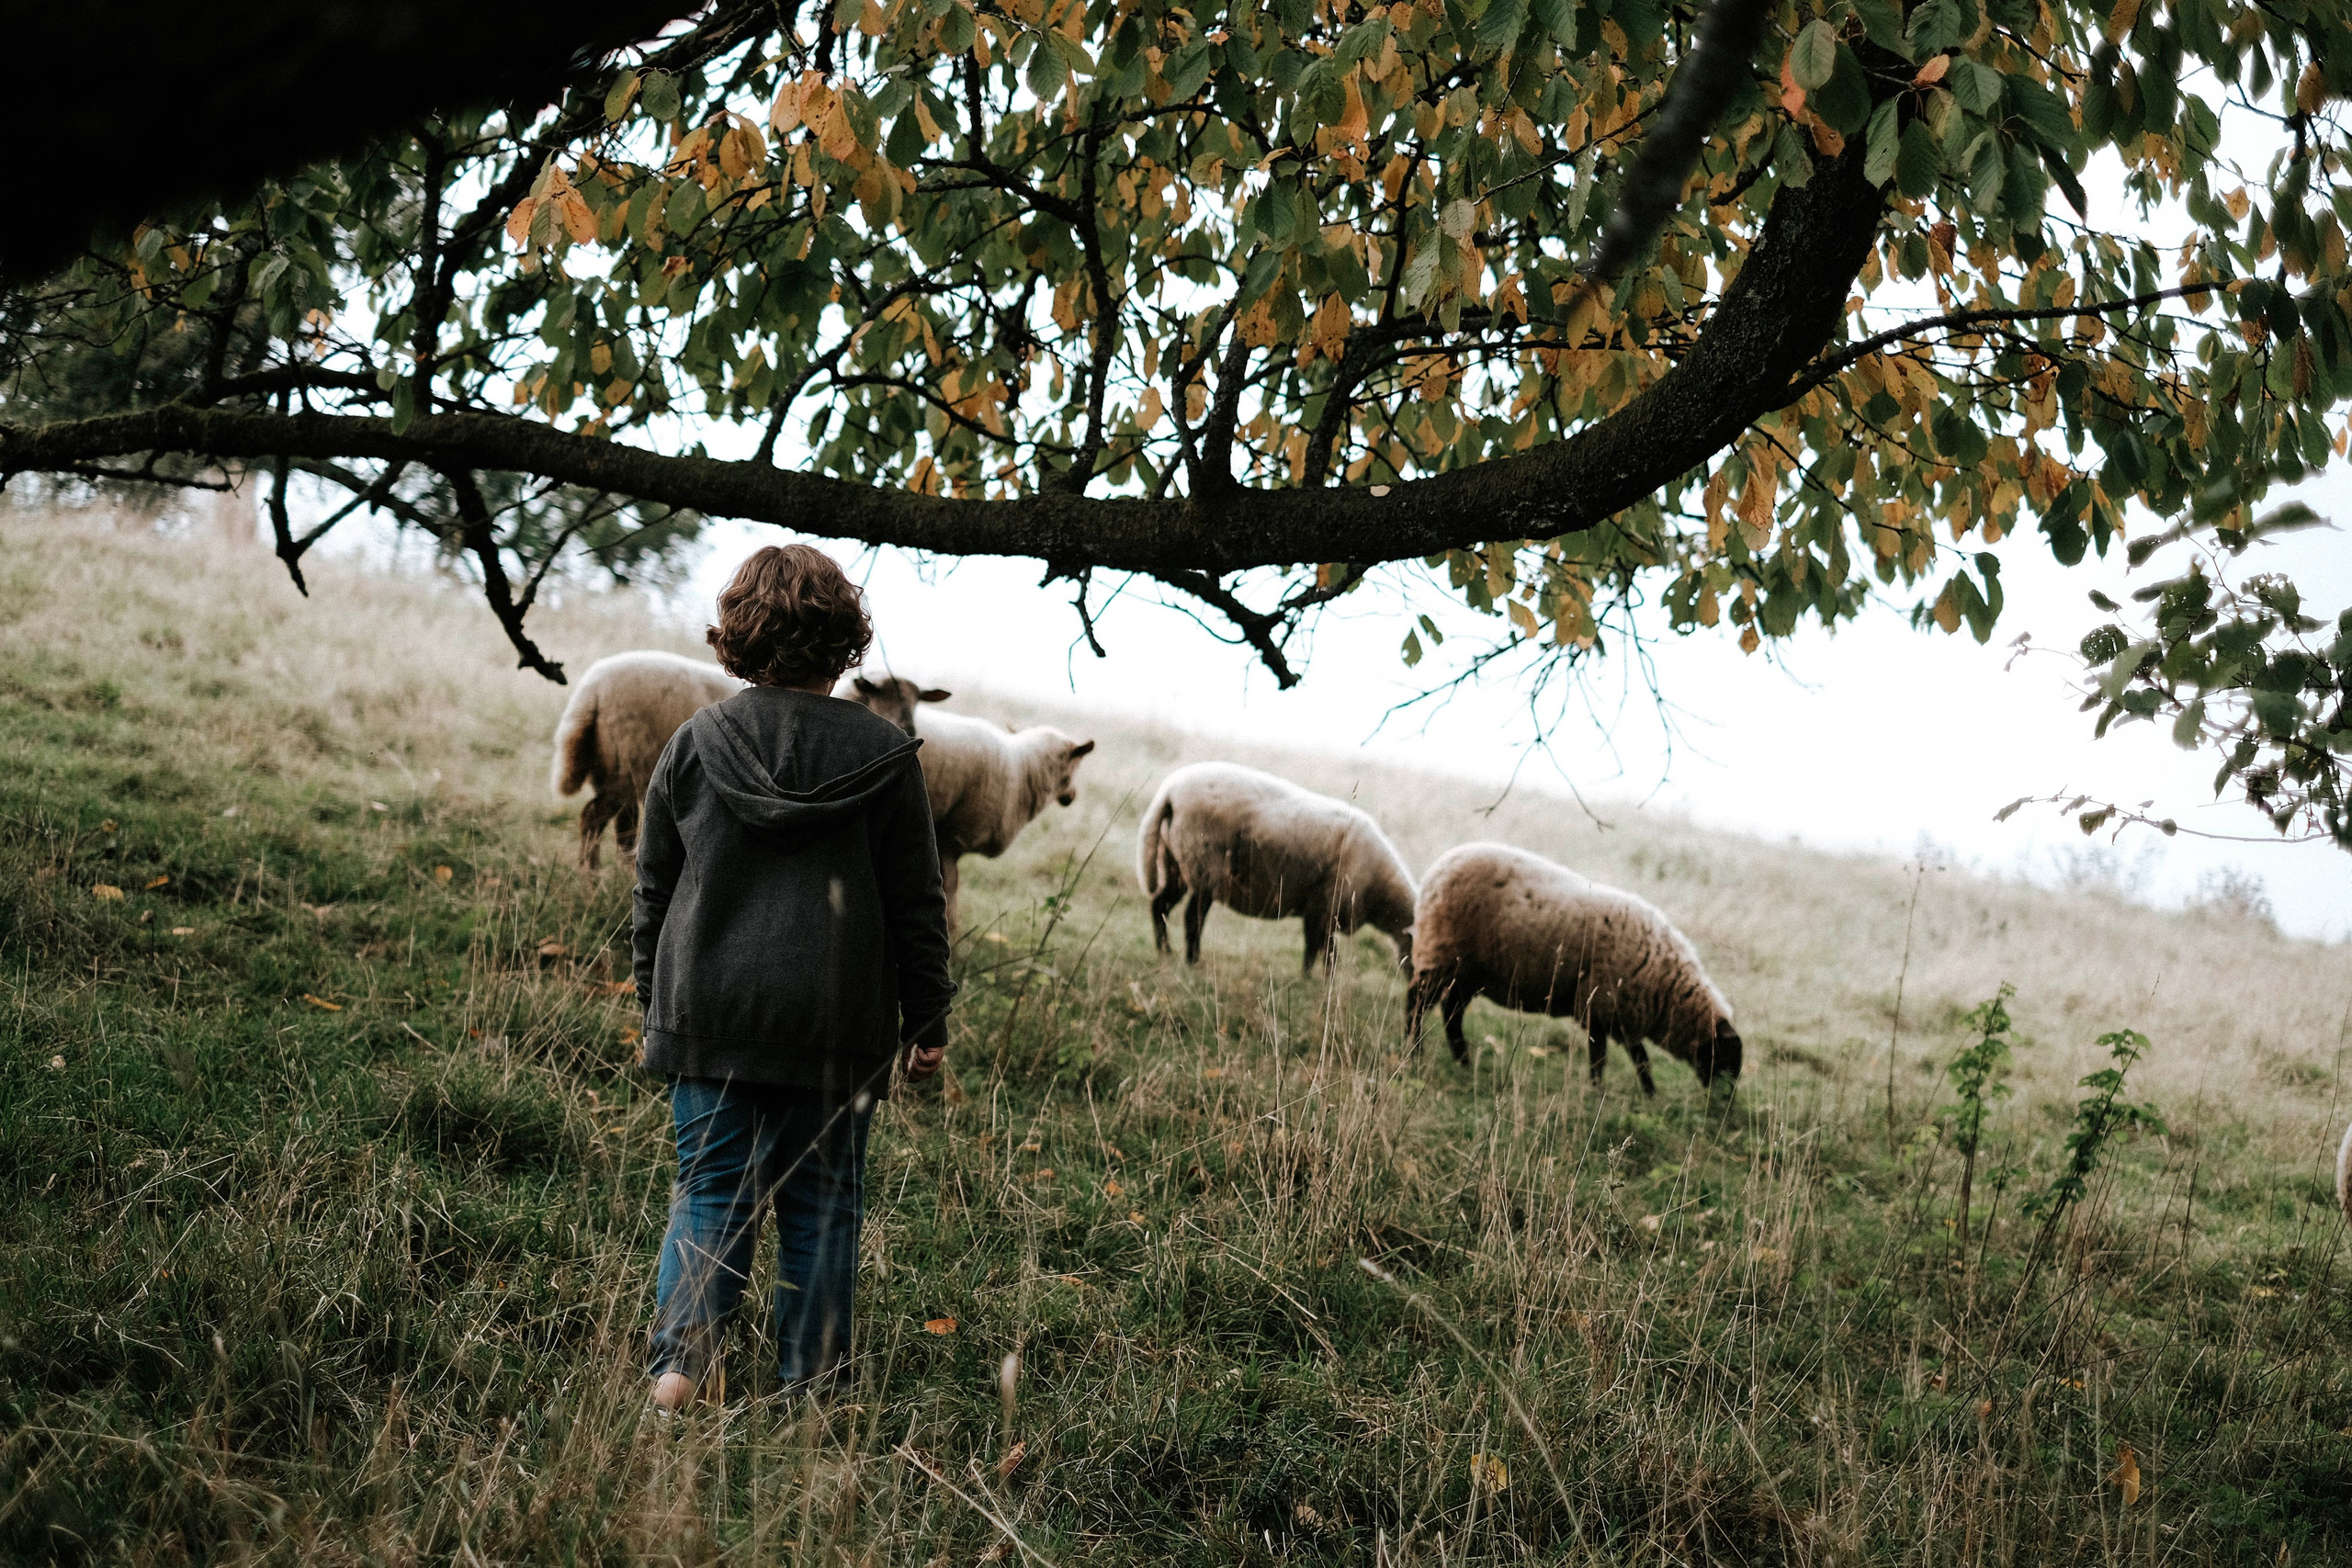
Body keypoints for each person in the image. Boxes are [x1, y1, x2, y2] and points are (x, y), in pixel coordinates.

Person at [632, 544, 955, 1411]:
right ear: (845, 640)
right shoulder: (887, 756)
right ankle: (810, 1390)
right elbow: (917, 902)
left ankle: (678, 1369)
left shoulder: (696, 742)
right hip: (836, 1026)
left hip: (710, 1012)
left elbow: (654, 885)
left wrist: (654, 998)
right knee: (822, 1203)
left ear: (736, 636)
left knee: (708, 1190)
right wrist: (929, 1020)